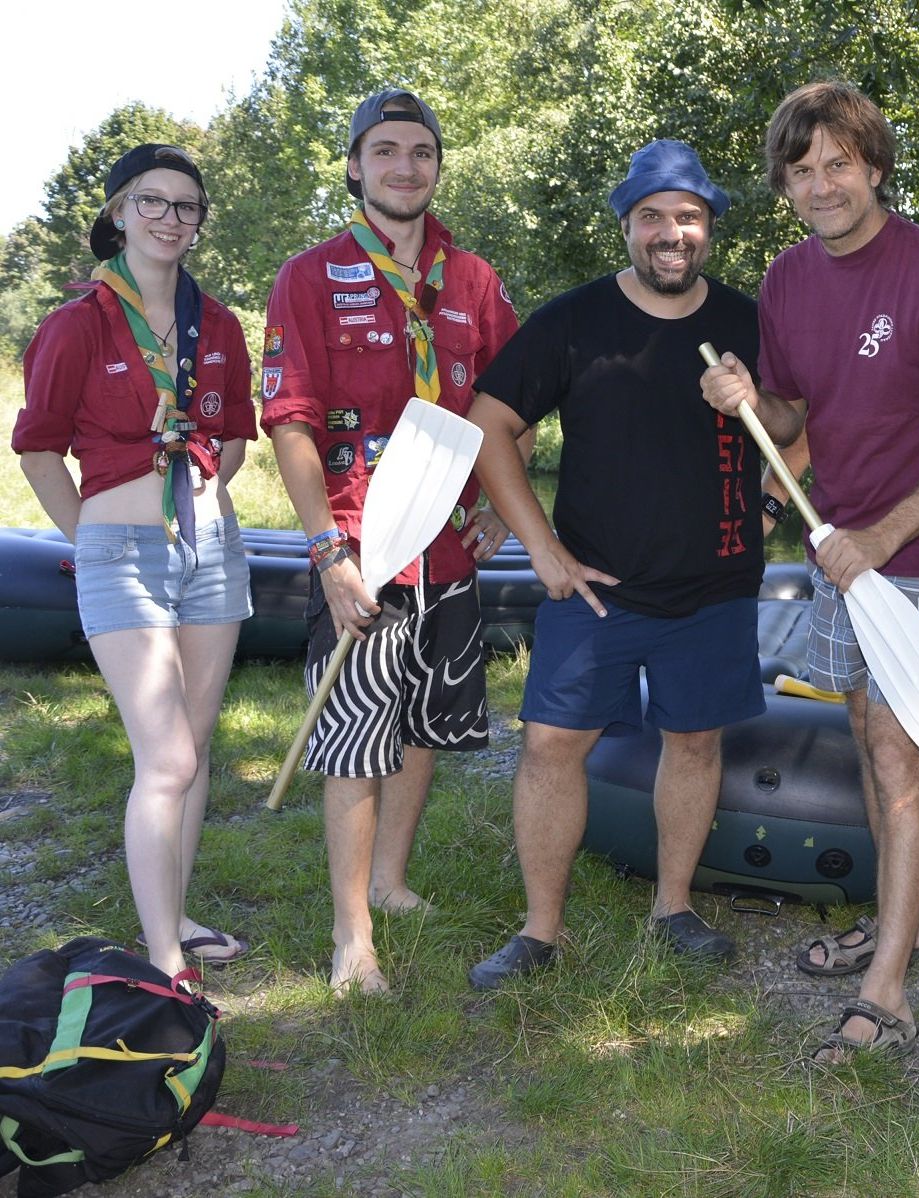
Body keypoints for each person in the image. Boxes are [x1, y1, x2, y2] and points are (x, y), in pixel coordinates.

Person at [701, 83, 919, 1060]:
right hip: (836, 541)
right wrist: (744, 398)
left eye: (837, 163)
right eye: (800, 171)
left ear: (873, 167)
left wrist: (883, 536)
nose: (820, 185)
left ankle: (889, 987)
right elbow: (793, 420)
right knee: (865, 728)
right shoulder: (787, 282)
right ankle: (900, 920)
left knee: (894, 750)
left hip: (916, 546)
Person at [465, 140, 764, 991]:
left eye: (688, 217)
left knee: (695, 741)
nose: (672, 233)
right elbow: (487, 424)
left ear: (708, 228)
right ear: (627, 227)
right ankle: (540, 931)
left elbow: (796, 417)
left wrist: (773, 504)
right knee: (553, 745)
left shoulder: (745, 321)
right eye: (653, 218)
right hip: (594, 587)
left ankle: (673, 907)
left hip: (715, 584)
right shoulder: (574, 320)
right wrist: (542, 547)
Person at [261, 90, 519, 993]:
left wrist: (499, 505)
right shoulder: (309, 274)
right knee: (355, 740)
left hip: (446, 549)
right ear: (355, 166)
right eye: (384, 150)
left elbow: (509, 405)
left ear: (436, 165)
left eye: (420, 150)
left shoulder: (475, 281)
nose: (405, 166)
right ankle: (351, 935)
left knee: (419, 730)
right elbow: (290, 421)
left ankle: (392, 883)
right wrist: (328, 550)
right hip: (363, 553)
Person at [13, 144, 256, 980]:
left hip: (213, 549)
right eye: (152, 202)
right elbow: (39, 450)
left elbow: (234, 440)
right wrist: (93, 537)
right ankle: (163, 962)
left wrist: (204, 473)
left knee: (195, 744)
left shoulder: (218, 323)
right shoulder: (76, 323)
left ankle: (177, 916)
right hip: (120, 550)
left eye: (186, 206)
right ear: (117, 212)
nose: (169, 219)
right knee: (169, 759)